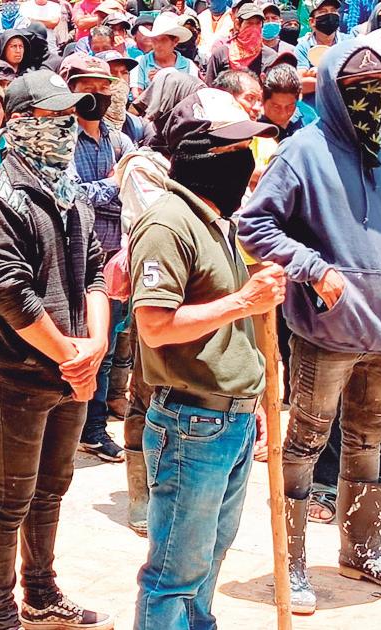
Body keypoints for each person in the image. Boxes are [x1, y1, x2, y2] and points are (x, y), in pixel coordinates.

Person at [239, 41, 381, 614]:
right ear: (330, 92)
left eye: (380, 87)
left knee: (369, 442)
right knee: (303, 443)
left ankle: (362, 551)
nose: (372, 99)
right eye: (357, 90)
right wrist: (314, 268)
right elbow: (255, 225)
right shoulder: (302, 151)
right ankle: (291, 564)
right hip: (325, 333)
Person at [128, 86, 281, 629]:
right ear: (199, 154)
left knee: (208, 560)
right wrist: (245, 301)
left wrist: (255, 393)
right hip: (191, 422)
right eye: (233, 150)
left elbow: (229, 327)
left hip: (230, 418)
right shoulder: (168, 223)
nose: (244, 162)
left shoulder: (217, 221)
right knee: (176, 571)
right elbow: (154, 326)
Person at [0, 69, 111, 630]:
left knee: (52, 490)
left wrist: (95, 345)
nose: (66, 128)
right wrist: (72, 357)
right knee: (9, 500)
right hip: (22, 375)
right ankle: (1, 613)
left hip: (73, 372)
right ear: (22, 123)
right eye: (54, 118)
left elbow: (96, 270)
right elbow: (11, 292)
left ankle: (41, 592)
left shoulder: (70, 191)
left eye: (69, 118)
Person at [59, 53, 134, 462]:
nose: (98, 95)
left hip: (114, 258)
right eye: (88, 87)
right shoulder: (62, 139)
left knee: (104, 347)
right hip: (74, 257)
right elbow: (72, 196)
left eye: (104, 88)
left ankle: (93, 427)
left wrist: (108, 189)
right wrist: (113, 185)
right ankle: (70, 424)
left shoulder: (119, 140)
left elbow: (137, 186)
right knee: (74, 342)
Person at [205, 3, 277, 86]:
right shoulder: (221, 54)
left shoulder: (270, 57)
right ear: (238, 24)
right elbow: (209, 87)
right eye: (249, 23)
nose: (254, 28)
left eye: (258, 23)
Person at [296, 0, 347, 107]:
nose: (330, 15)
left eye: (333, 11)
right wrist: (338, 79)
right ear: (312, 22)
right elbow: (300, 84)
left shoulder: (349, 42)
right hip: (315, 108)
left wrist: (319, 74)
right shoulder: (303, 47)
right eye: (323, 12)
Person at [132, 13, 199, 94]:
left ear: (175, 41)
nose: (158, 45)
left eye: (163, 40)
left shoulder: (189, 66)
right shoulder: (140, 62)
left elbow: (193, 94)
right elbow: (136, 94)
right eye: (155, 40)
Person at [260, 62, 318, 139]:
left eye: (290, 107)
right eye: (276, 107)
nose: (283, 114)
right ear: (262, 98)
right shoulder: (255, 127)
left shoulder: (309, 117)